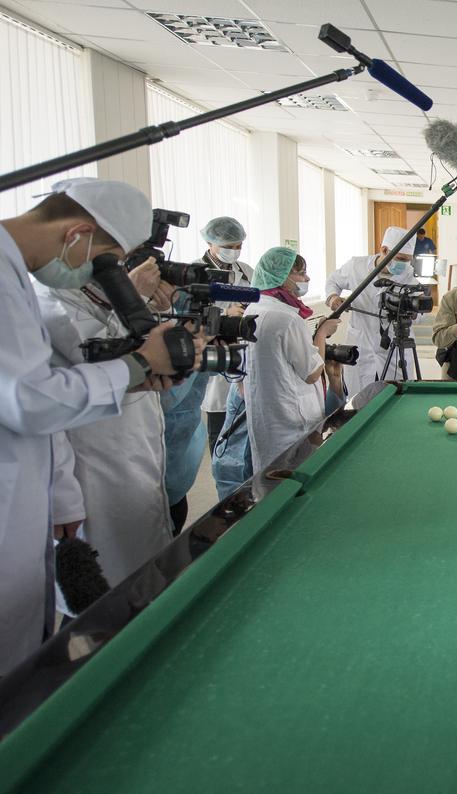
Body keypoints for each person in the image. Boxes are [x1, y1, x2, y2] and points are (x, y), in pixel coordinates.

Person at [0, 177, 191, 675]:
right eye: (105, 260)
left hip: (37, 484)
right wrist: (136, 367)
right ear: (78, 233)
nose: (105, 274)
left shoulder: (13, 272)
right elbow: (27, 399)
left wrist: (59, 488)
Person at [36, 259, 174, 584]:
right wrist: (133, 296)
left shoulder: (96, 288)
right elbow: (96, 357)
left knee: (145, 563)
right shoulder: (50, 296)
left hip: (135, 440)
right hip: (95, 453)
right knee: (108, 578)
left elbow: (147, 350)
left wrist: (148, 308)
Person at [245, 248, 340, 469]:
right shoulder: (287, 318)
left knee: (270, 479)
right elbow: (312, 373)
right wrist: (322, 334)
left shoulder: (254, 307)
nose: (306, 279)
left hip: (268, 418)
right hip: (293, 421)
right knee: (295, 475)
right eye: (300, 273)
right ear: (281, 275)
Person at [325, 226, 418, 395]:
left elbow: (418, 312)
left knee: (397, 395)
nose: (404, 265)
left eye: (408, 260)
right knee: (358, 398)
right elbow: (333, 281)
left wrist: (413, 313)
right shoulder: (356, 266)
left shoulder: (409, 276)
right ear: (384, 250)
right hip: (361, 342)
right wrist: (333, 298)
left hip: (395, 344)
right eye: (401, 259)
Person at [197, 216, 254, 453]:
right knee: (221, 435)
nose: (235, 251)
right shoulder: (196, 273)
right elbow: (188, 317)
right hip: (215, 354)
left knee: (247, 430)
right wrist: (223, 314)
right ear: (211, 242)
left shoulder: (247, 271)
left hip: (245, 351)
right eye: (229, 247)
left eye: (238, 246)